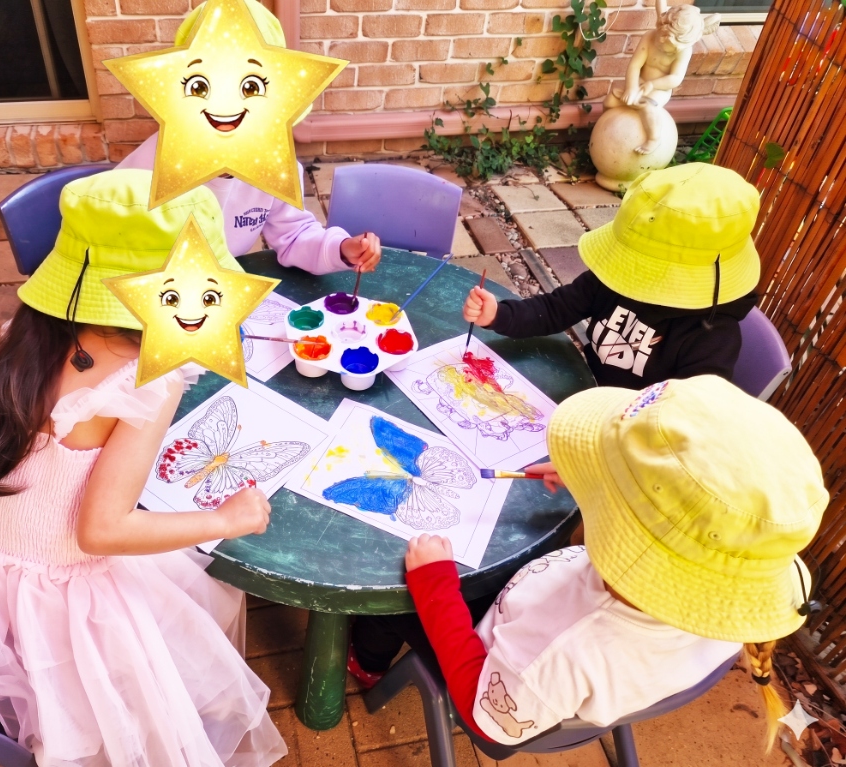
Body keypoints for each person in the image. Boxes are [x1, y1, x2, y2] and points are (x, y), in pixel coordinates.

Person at [0, 168, 287, 767]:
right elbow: (102, 532)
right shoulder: (151, 376)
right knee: (187, 609)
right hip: (55, 617)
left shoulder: (29, 336)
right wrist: (227, 518)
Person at [352, 376, 828, 752]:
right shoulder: (725, 601)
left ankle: (367, 665)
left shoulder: (563, 651)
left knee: (384, 597)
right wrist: (591, 478)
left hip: (491, 680)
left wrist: (434, 586)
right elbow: (679, 525)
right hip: (556, 641)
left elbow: (489, 722)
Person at [116, 0, 381, 276]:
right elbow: (111, 238)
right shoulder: (148, 167)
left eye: (251, 87)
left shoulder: (273, 164)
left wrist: (341, 249)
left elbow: (294, 234)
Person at [462, 163, 760, 389]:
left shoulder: (711, 338)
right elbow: (556, 309)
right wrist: (499, 314)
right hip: (583, 389)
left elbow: (682, 425)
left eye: (649, 267)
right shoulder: (615, 279)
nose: (634, 275)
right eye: (636, 261)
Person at [603, 0, 721, 154]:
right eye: (661, 36)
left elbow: (675, 79)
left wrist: (652, 85)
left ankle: (654, 139)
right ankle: (605, 127)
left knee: (647, 108)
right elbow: (635, 66)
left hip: (660, 88)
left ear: (681, 44)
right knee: (610, 101)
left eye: (668, 43)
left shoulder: (684, 51)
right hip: (639, 81)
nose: (661, 41)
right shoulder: (650, 36)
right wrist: (631, 88)